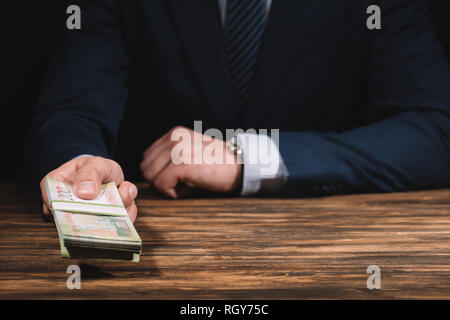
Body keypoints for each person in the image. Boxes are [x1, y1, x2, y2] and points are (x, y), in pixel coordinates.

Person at [28, 0, 450, 222]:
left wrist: (248, 160)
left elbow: (435, 131)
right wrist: (81, 170)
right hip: (159, 251)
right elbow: (73, 108)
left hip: (332, 245)